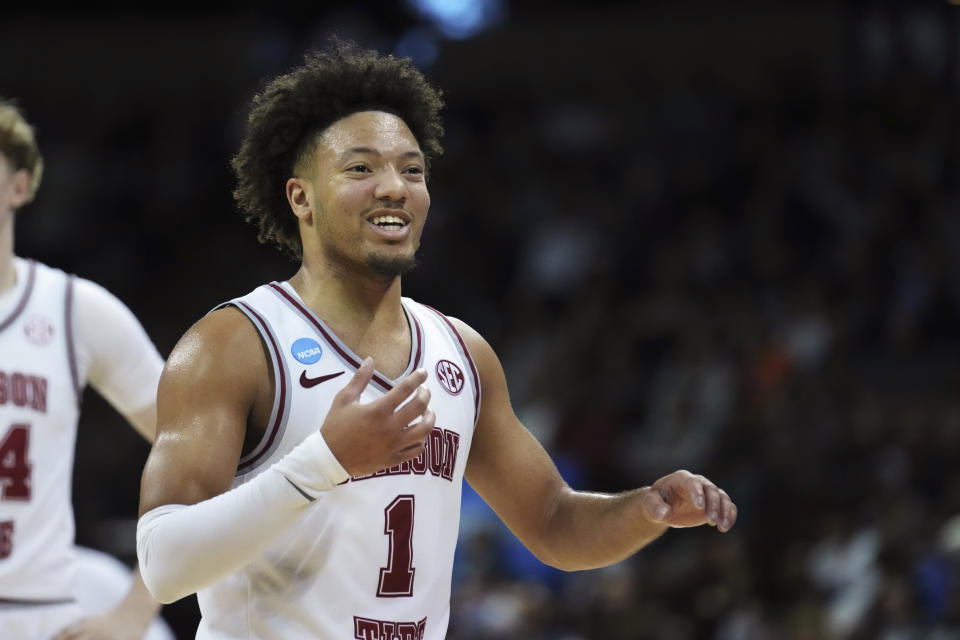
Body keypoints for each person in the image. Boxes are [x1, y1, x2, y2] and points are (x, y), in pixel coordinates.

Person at [135, 41, 738, 639]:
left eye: (412, 169)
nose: (394, 186)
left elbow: (553, 523)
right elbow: (164, 566)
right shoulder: (233, 344)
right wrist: (323, 463)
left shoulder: (463, 353)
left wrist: (645, 509)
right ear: (301, 198)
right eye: (361, 168)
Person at [0, 99, 166, 639]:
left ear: (19, 187)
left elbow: (209, 460)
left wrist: (135, 612)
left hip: (38, 614)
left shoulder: (74, 310)